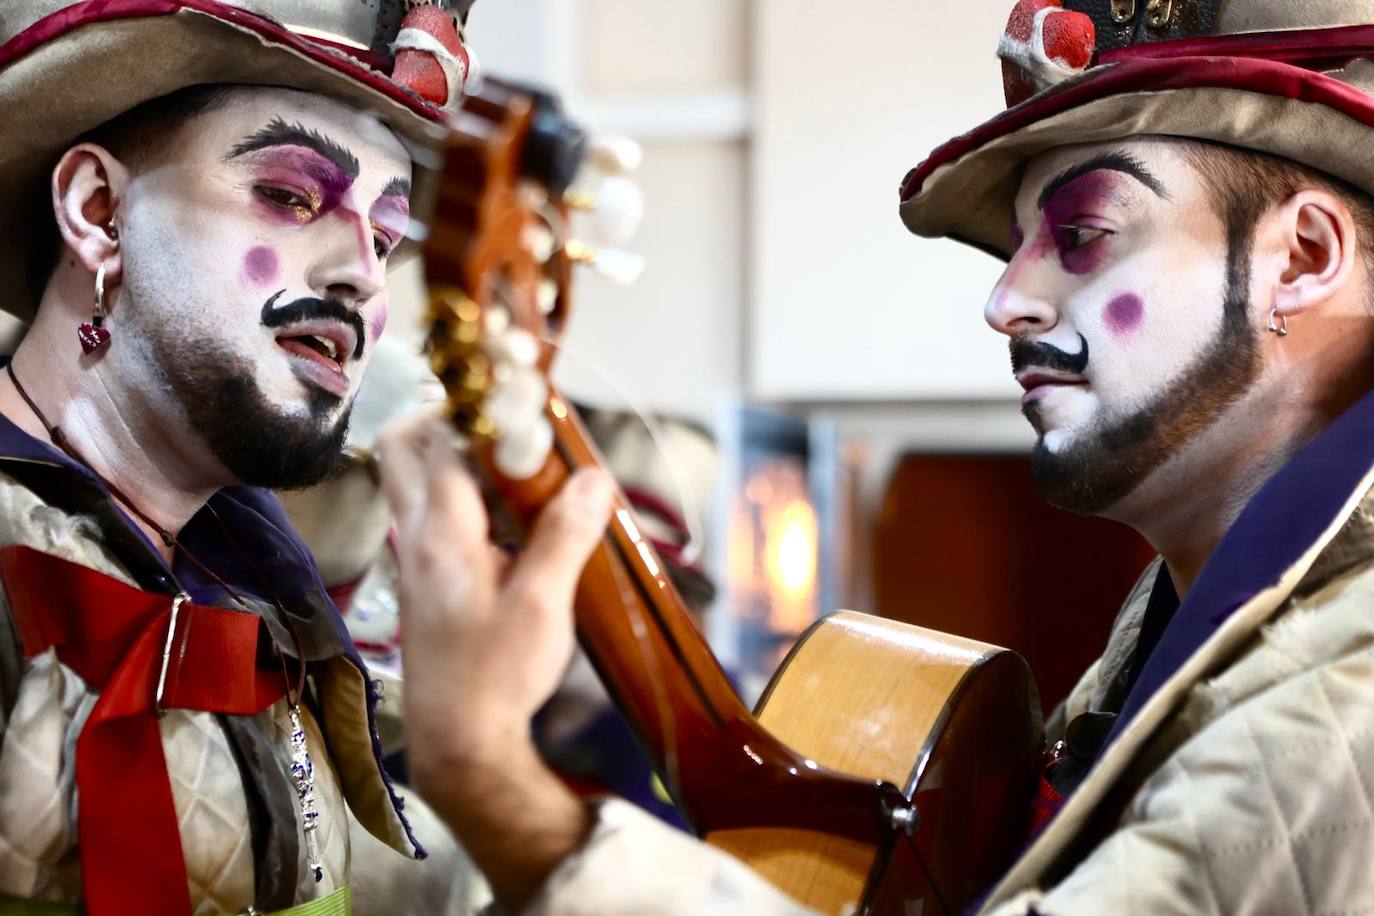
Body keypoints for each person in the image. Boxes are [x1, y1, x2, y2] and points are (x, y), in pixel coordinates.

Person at [378, 0, 1374, 912]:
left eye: (1083, 233)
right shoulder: (1186, 628)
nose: (1003, 303)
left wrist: (488, 778)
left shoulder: (1349, 689)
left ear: (1304, 257)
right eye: (1015, 246)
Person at [0, 1, 480, 913]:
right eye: (293, 197)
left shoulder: (275, 611)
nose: (364, 277)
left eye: (384, 236)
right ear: (99, 212)